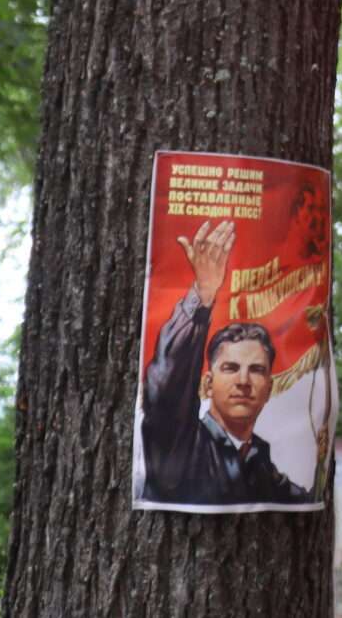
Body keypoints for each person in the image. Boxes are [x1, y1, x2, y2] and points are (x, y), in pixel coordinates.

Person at [138, 217, 324, 507]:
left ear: (269, 388)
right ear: (208, 383)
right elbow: (166, 385)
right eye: (230, 368)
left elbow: (303, 500)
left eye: (256, 370)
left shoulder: (262, 466)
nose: (243, 381)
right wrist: (202, 297)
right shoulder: (177, 443)